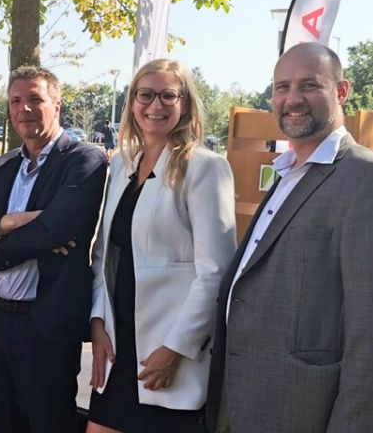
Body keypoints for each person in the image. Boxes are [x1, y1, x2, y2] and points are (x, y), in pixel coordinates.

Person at [207, 43, 373, 432]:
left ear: (342, 91)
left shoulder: (363, 180)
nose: (292, 99)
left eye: (309, 85)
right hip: (240, 400)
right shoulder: (287, 174)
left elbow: (368, 333)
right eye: (282, 87)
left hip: (304, 412)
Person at [0, 66, 107, 433]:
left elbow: (54, 230)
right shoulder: (1, 167)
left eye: (35, 99)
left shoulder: (84, 160)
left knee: (49, 424)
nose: (24, 109)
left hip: (46, 327)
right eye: (16, 101)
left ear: (56, 105)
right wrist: (8, 223)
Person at [86, 59, 236, 433]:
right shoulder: (122, 164)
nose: (156, 105)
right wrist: (97, 322)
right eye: (146, 95)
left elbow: (215, 273)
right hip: (119, 346)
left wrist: (176, 348)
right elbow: (105, 254)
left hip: (167, 355)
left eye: (169, 95)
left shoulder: (204, 168)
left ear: (184, 103)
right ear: (133, 103)